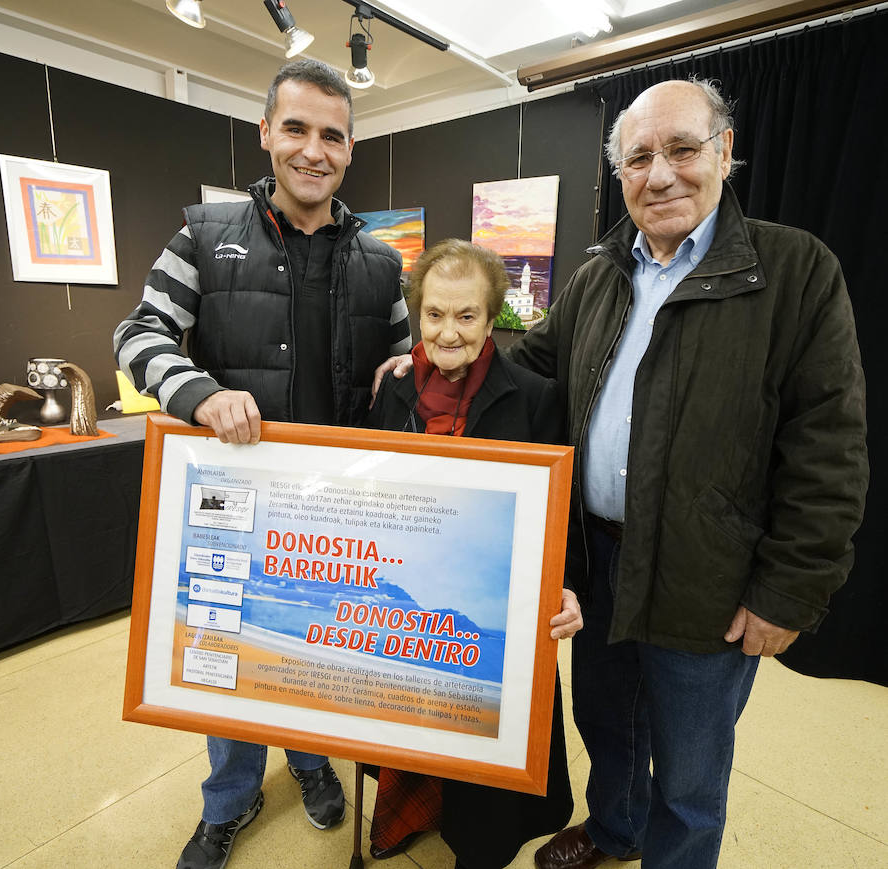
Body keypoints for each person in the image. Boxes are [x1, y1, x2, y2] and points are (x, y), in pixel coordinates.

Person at [375, 78, 868, 869]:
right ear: (620, 172)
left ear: (726, 152)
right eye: (639, 156)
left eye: (681, 149)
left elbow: (830, 450)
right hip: (597, 562)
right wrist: (440, 357)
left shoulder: (795, 271)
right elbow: (532, 367)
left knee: (690, 770)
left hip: (708, 575)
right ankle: (614, 831)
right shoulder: (598, 272)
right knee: (609, 727)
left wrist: (788, 591)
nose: (660, 173)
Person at [114, 59, 411, 869]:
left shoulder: (383, 264)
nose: (314, 149)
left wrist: (410, 377)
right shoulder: (202, 237)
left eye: (333, 135)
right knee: (226, 653)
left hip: (338, 513)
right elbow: (137, 336)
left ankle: (311, 758)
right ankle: (231, 796)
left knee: (313, 641)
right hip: (232, 504)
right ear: (266, 134)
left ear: (351, 149)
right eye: (297, 128)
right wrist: (200, 392)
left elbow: (413, 364)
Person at [367, 239, 582, 869]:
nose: (449, 332)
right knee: (410, 724)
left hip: (489, 617)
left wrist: (569, 586)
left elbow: (557, 513)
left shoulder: (536, 398)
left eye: (466, 316)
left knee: (487, 768)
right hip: (408, 609)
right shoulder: (393, 393)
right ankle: (416, 811)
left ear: (492, 321)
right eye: (435, 315)